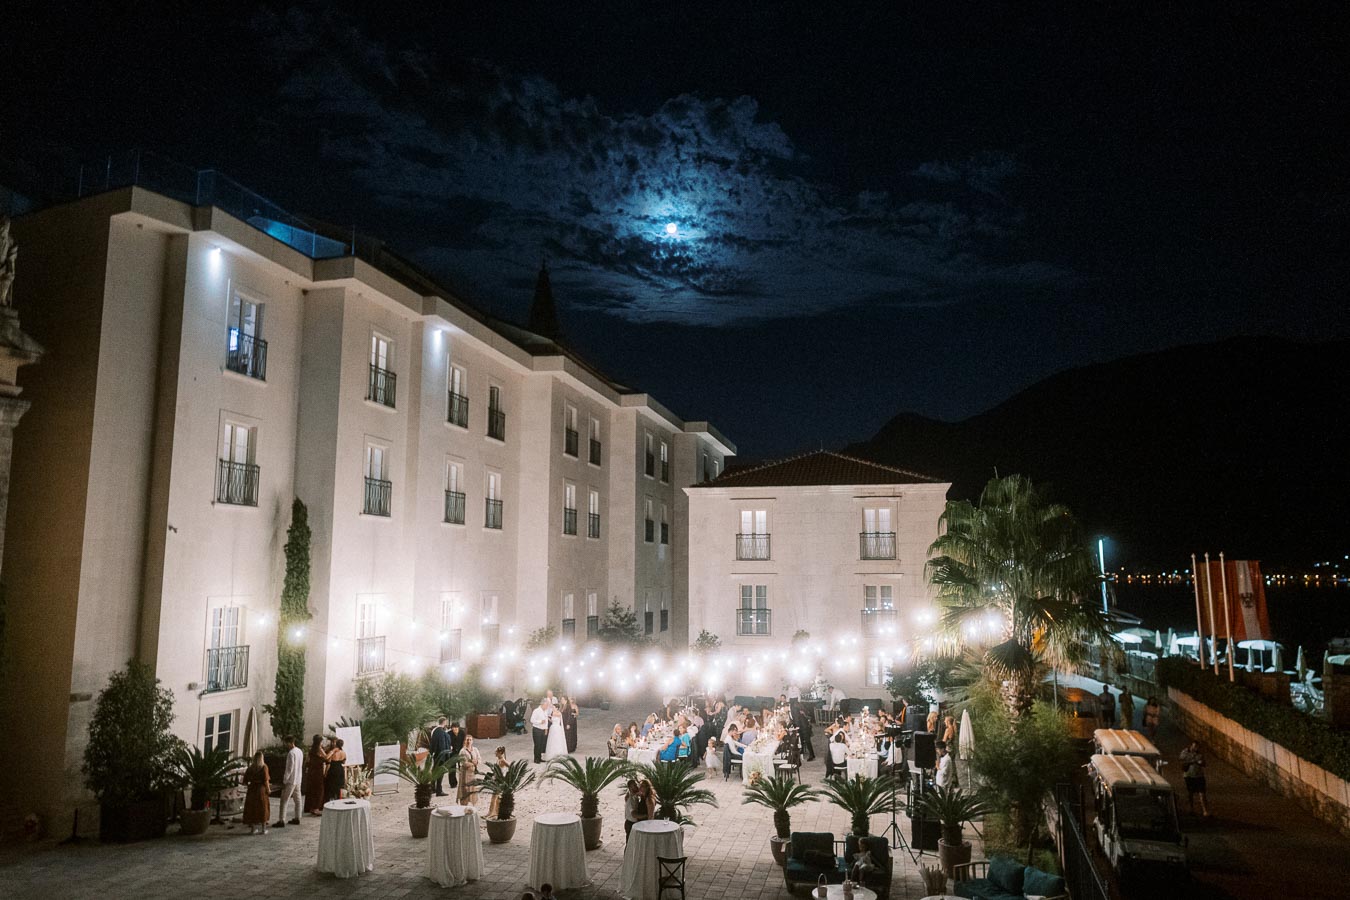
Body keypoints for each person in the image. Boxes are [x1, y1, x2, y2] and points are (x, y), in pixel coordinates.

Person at [274, 735, 303, 827]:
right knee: (298, 799)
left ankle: (281, 820)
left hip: (291, 780)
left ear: (290, 743)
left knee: (284, 800)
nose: (286, 745)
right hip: (298, 778)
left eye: (286, 743)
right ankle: (297, 817)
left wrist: (285, 780)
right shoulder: (299, 751)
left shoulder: (291, 753)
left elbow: (289, 768)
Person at [242, 751, 271, 835]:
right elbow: (266, 780)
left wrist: (250, 784)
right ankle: (263, 829)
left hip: (252, 789)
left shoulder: (250, 768)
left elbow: (245, 781)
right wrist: (268, 789)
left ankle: (253, 829)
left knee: (252, 808)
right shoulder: (264, 767)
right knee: (263, 808)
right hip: (261, 790)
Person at [1180, 741, 1211, 817]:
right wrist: (1193, 761)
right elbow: (1182, 762)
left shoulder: (1200, 754)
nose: (1196, 748)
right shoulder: (1184, 752)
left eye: (1197, 747)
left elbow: (1204, 763)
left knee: (1202, 794)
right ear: (1191, 746)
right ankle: (1191, 809)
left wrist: (1201, 763)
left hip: (1199, 776)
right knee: (1190, 793)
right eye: (1194, 746)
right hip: (1189, 776)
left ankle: (1205, 811)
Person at [305, 734, 328, 816]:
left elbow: (307, 761)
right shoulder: (319, 749)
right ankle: (316, 808)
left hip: (311, 771)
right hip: (318, 772)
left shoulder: (311, 749)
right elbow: (326, 757)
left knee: (312, 789)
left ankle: (311, 807)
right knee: (319, 790)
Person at [457, 734, 482, 806]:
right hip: (465, 773)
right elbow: (463, 763)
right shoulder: (462, 751)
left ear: (472, 741)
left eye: (470, 740)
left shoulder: (475, 749)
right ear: (465, 741)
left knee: (472, 788)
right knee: (465, 789)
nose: (468, 741)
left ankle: (472, 804)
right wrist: (473, 763)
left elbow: (479, 759)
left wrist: (476, 762)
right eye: (467, 740)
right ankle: (463, 804)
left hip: (472, 773)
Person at [430, 716, 452, 796]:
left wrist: (431, 753)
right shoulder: (441, 732)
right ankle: (439, 790)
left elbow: (432, 744)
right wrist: (447, 753)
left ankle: (433, 788)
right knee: (440, 772)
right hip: (441, 755)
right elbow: (442, 745)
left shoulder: (434, 730)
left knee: (434, 771)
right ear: (444, 722)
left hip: (436, 754)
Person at [324, 737, 347, 803]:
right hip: (340, 769)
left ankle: (331, 801)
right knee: (338, 787)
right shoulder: (343, 752)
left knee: (331, 786)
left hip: (333, 769)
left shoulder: (334, 752)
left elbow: (326, 758)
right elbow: (344, 762)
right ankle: (338, 801)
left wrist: (333, 751)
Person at [488, 746, 509, 818]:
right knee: (495, 797)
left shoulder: (502, 760)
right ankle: (493, 812)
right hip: (496, 779)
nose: (495, 753)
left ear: (500, 752)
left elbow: (510, 766)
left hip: (499, 780)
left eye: (496, 752)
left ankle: (493, 813)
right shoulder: (498, 760)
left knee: (495, 797)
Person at [531, 699, 551, 763]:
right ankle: (536, 759)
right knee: (537, 745)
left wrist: (546, 729)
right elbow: (532, 720)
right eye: (546, 705)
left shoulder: (545, 711)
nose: (547, 707)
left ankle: (539, 758)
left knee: (541, 745)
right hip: (537, 730)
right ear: (542, 705)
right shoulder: (536, 711)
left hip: (543, 730)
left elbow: (546, 721)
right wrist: (540, 722)